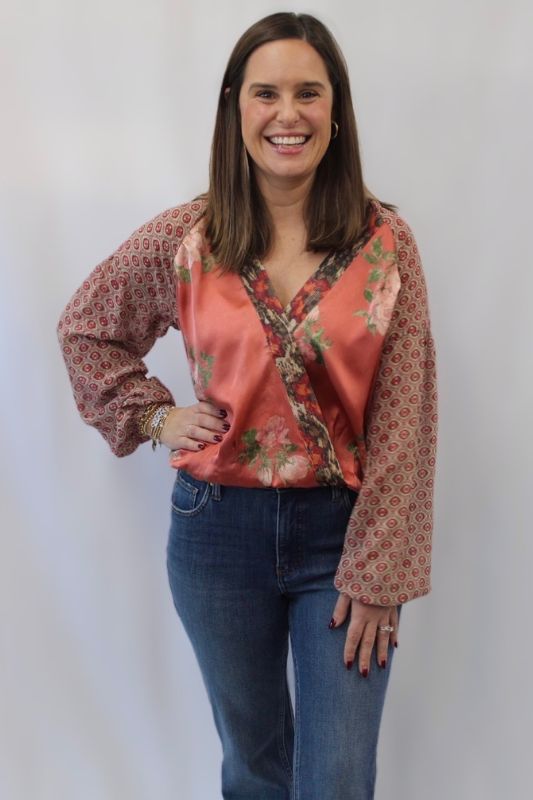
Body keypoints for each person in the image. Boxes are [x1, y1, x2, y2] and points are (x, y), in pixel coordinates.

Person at [57, 11, 437, 800]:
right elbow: (87, 328)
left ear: (336, 109)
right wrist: (156, 418)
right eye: (266, 93)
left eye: (308, 92)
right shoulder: (189, 236)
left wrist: (379, 570)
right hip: (216, 535)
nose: (286, 113)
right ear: (235, 107)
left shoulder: (384, 243)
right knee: (255, 770)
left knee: (336, 778)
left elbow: (406, 414)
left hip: (344, 540)